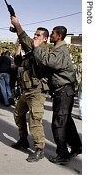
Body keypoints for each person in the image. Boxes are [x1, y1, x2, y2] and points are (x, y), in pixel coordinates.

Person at [32, 25, 82, 164]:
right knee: (67, 122)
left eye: (53, 33)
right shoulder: (58, 49)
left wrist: (37, 47)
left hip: (64, 91)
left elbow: (48, 61)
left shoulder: (60, 50)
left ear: (59, 35)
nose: (51, 35)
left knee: (58, 124)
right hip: (64, 91)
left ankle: (62, 154)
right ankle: (77, 147)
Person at [11, 16, 50, 162]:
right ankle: (23, 140)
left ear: (45, 39)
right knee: (17, 114)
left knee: (34, 120)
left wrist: (17, 25)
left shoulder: (43, 51)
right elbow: (18, 61)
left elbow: (27, 39)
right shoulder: (32, 51)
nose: (35, 36)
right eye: (35, 34)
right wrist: (19, 47)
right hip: (26, 90)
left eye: (38, 35)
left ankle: (40, 149)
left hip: (37, 91)